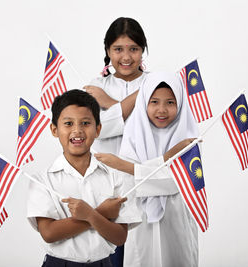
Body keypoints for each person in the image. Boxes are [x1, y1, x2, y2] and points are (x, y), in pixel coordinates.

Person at [95, 72, 200, 267]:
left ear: (180, 103)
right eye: (154, 102)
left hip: (177, 219)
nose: (162, 110)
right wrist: (167, 160)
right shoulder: (134, 133)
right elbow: (128, 183)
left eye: (170, 102)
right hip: (140, 219)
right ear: (144, 102)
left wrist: (124, 165)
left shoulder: (188, 136)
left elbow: (175, 182)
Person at [27, 89, 141, 267]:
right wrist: (100, 213)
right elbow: (48, 233)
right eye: (68, 123)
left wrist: (90, 215)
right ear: (54, 130)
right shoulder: (42, 180)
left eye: (86, 123)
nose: (77, 130)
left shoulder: (115, 176)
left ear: (98, 129)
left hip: (103, 263)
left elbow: (120, 238)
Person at [83, 17, 149, 267]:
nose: (126, 57)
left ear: (143, 50)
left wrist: (108, 103)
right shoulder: (96, 86)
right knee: (106, 256)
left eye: (134, 49)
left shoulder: (154, 85)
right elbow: (100, 129)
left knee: (142, 256)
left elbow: (154, 127)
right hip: (106, 186)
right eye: (118, 49)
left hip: (143, 184)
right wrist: (136, 108)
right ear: (107, 50)